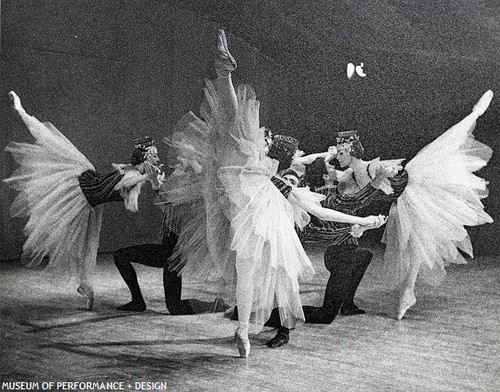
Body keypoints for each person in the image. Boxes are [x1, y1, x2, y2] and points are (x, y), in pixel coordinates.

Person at [159, 30, 385, 358]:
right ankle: (247, 329)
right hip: (247, 220)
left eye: (265, 138)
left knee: (262, 282)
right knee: (231, 129)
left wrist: (360, 217)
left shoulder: (274, 181)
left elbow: (321, 210)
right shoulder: (258, 170)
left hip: (255, 229)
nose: (262, 135)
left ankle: (249, 329)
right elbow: (232, 122)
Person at [328, 90, 495, 319]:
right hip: (400, 202)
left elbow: (382, 178)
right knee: (411, 246)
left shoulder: (369, 168)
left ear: (349, 152)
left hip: (416, 188)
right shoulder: (352, 174)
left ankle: (474, 115)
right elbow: (334, 177)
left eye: (340, 153)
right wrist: (326, 160)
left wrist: (388, 174)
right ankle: (407, 292)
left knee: (446, 145)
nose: (338, 157)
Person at [3, 91, 163, 310]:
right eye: (141, 153)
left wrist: (148, 179)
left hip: (84, 198)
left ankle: (86, 286)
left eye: (141, 154)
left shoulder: (136, 179)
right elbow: (119, 173)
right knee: (50, 144)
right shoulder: (131, 170)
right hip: (81, 180)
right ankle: (21, 110)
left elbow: (129, 202)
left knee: (82, 248)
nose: (136, 155)